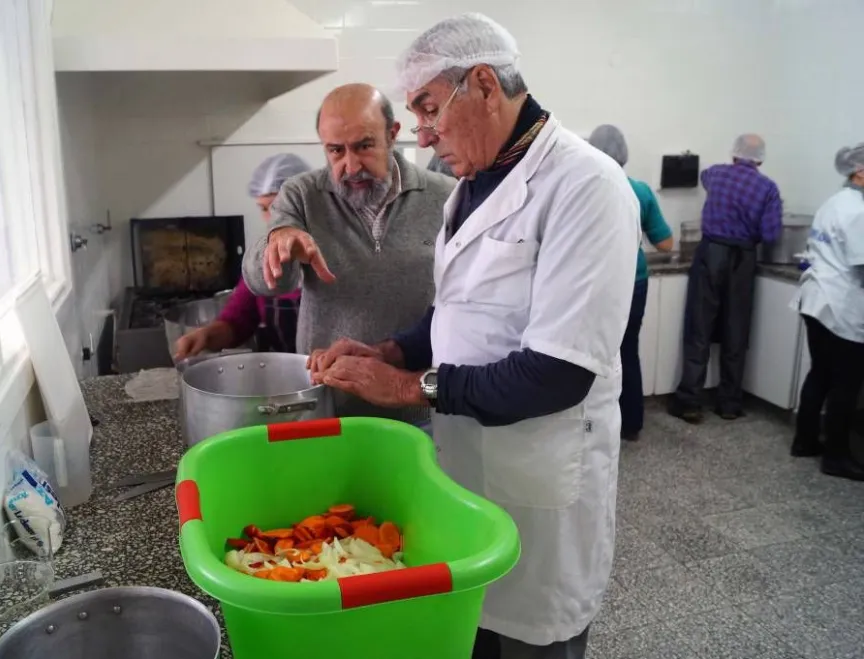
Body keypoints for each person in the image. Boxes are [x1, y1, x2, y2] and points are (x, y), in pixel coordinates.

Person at [310, 14, 640, 659]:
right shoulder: (473, 185)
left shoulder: (585, 185)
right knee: (472, 631)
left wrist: (405, 385)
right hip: (468, 469)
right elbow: (459, 311)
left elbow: (557, 373)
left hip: (538, 476)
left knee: (531, 636)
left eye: (429, 109)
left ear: (485, 85)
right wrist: (392, 350)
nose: (425, 136)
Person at [241, 83, 455, 422]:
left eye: (364, 146)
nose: (351, 166)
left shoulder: (445, 196)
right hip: (328, 408)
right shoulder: (303, 195)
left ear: (392, 133)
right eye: (336, 151)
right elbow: (264, 284)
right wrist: (277, 245)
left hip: (418, 405)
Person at [669, 134, 783, 423]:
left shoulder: (717, 174)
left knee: (700, 325)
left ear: (734, 154)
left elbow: (704, 176)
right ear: (760, 159)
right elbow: (771, 235)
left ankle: (689, 401)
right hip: (743, 259)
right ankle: (729, 403)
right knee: (736, 330)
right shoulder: (768, 189)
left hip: (711, 253)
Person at [173, 154, 310, 360]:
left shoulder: (343, 257)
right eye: (265, 208)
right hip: (284, 380)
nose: (272, 218)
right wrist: (206, 336)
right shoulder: (260, 262)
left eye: (281, 207)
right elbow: (236, 323)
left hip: (339, 382)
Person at [588, 125, 674, 440]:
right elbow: (666, 244)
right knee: (628, 351)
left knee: (592, 354)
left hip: (597, 283)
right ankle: (632, 424)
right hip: (635, 281)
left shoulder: (587, 186)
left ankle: (594, 427)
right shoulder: (641, 191)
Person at [790, 143, 864, 481]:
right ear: (859, 171)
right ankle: (836, 455)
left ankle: (805, 440)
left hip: (816, 299)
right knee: (845, 383)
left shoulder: (833, 203)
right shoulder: (858, 210)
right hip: (839, 305)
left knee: (820, 372)